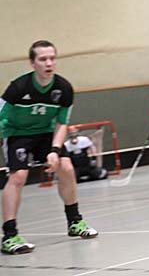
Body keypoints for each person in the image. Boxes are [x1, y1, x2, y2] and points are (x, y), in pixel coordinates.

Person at [0, 40, 98, 255]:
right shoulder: (18, 87)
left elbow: (62, 123)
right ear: (32, 63)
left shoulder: (63, 88)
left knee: (67, 167)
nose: (49, 63)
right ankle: (9, 235)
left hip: (45, 133)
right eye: (43, 59)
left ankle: (75, 221)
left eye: (52, 58)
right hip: (16, 134)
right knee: (18, 176)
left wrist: (54, 150)